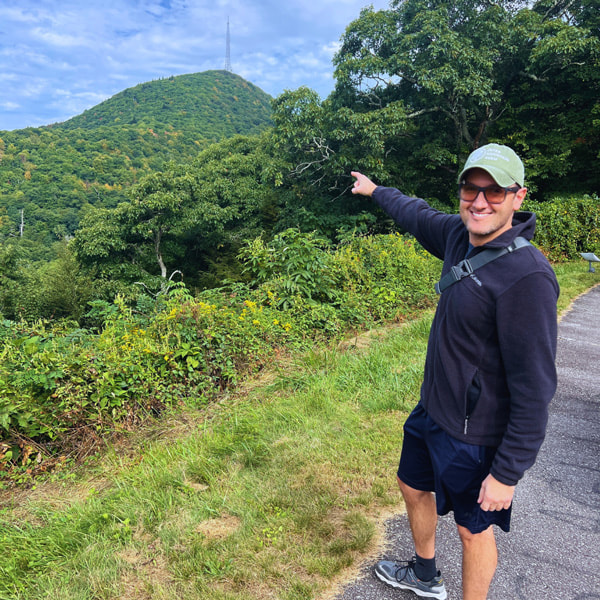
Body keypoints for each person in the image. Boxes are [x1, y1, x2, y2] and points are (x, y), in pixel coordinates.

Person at [350, 143, 559, 600]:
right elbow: (415, 213)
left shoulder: (528, 277)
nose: (480, 201)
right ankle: (426, 575)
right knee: (410, 484)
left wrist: (507, 473)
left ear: (518, 198)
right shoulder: (457, 235)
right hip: (433, 411)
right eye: (471, 188)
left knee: (472, 530)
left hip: (476, 435)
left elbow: (535, 389)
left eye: (495, 192)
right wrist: (375, 190)